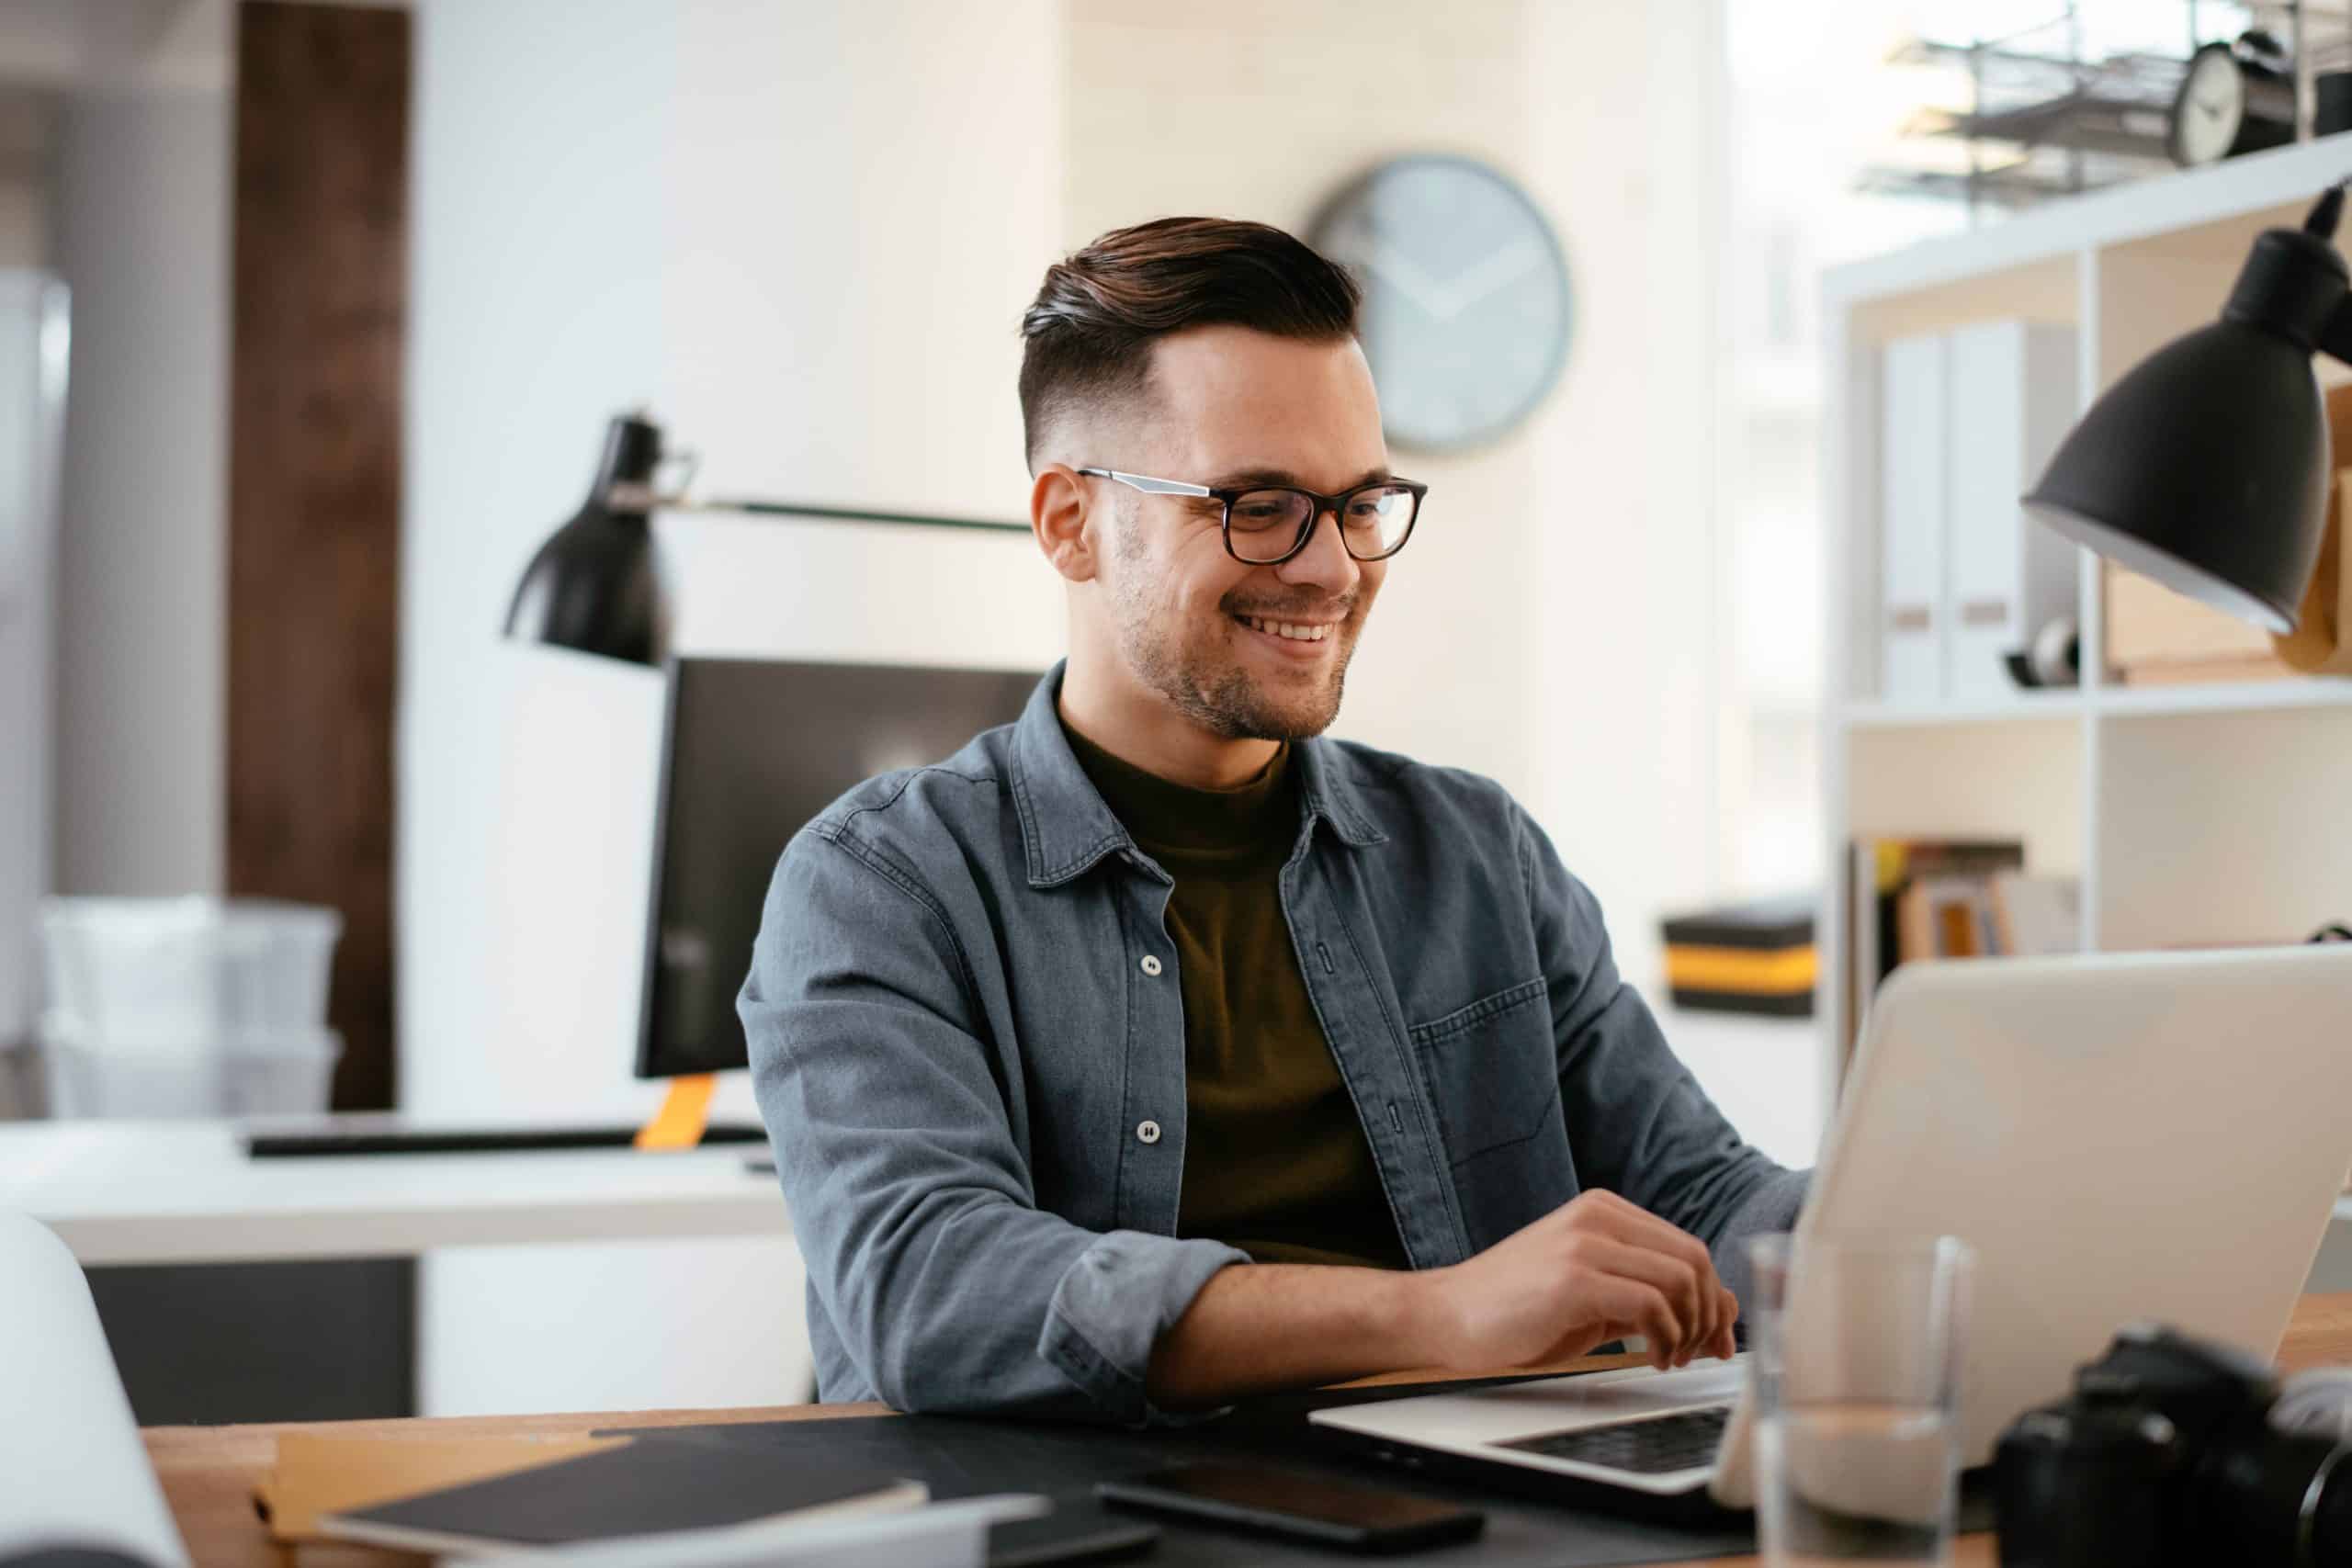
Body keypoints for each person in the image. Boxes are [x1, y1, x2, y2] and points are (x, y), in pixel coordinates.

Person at [740, 216, 1806, 1425]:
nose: (1333, 569)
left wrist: (1925, 1216)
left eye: (1359, 505)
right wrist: (1442, 1315)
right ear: (1068, 522)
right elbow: (933, 1291)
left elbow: (1702, 1196)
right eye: (1257, 505)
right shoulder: (878, 885)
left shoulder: (1476, 856)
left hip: (1474, 1521)